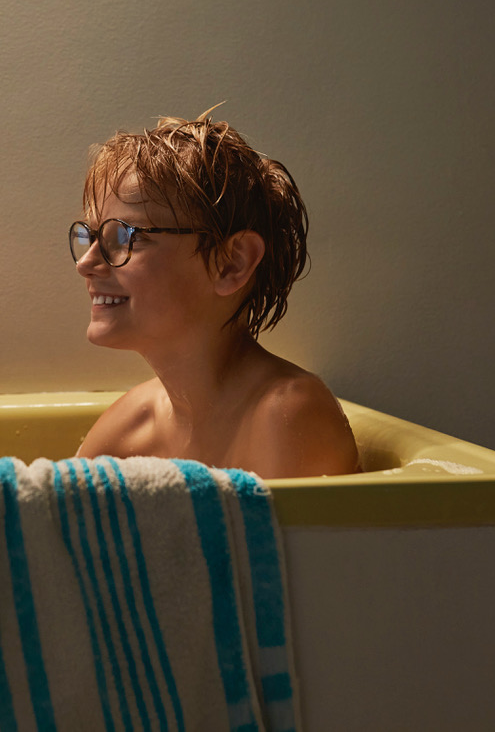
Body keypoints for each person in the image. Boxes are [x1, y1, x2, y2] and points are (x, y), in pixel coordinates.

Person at [71, 108, 359, 478]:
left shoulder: (287, 416)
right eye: (91, 237)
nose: (86, 263)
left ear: (232, 263)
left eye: (125, 236)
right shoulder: (130, 424)